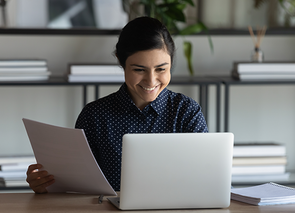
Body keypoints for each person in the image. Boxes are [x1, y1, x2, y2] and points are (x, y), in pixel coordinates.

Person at [26, 16, 208, 193]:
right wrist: (46, 186)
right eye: (139, 69)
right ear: (121, 61)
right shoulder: (94, 116)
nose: (151, 80)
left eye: (161, 69)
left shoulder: (187, 111)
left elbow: (206, 177)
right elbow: (77, 188)